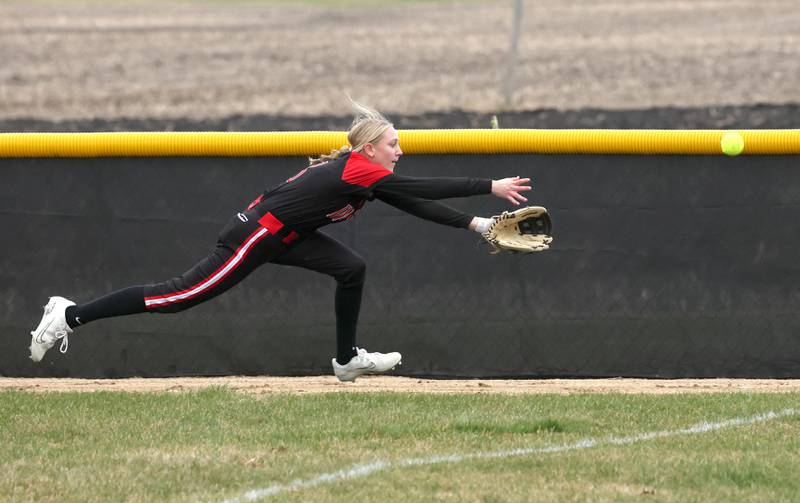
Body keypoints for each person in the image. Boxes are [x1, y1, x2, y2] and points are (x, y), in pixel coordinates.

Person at [28, 101, 531, 382]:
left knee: (351, 268)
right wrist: (487, 187)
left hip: (290, 236)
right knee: (179, 296)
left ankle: (346, 360)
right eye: (394, 143)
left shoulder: (366, 176)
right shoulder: (360, 169)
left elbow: (413, 203)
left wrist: (477, 225)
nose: (401, 149)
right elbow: (422, 189)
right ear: (370, 148)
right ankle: (69, 314)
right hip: (258, 234)